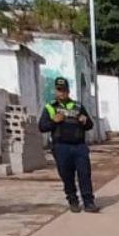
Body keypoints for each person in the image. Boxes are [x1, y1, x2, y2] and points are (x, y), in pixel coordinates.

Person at [38, 76, 98, 213]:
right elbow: (42, 127)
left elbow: (90, 125)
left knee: (84, 174)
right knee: (67, 175)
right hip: (61, 147)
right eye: (59, 90)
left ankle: (89, 202)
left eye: (64, 90)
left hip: (79, 146)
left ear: (68, 91)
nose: (61, 93)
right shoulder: (50, 107)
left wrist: (85, 121)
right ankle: (73, 200)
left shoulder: (77, 106)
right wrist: (54, 121)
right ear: (55, 91)